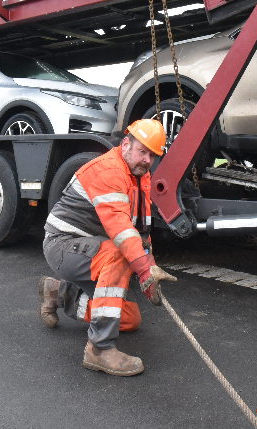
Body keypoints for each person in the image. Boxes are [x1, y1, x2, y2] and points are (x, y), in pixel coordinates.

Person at [39, 118, 177, 376]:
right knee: (119, 254)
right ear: (126, 144)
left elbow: (141, 232)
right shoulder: (109, 171)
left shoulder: (140, 177)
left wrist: (151, 271)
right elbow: (122, 232)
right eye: (142, 151)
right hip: (63, 244)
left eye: (152, 155)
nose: (147, 160)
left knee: (129, 319)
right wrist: (143, 270)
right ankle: (99, 350)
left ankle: (59, 293)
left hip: (94, 250)